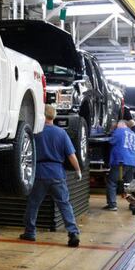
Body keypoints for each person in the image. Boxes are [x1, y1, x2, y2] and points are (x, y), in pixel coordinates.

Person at [19, 104, 82, 248]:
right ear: (54, 116)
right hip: (57, 173)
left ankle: (30, 232)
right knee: (64, 204)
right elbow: (71, 155)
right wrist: (78, 170)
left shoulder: (35, 132)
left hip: (39, 172)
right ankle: (73, 233)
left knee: (33, 205)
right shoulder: (61, 133)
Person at [104, 121, 135, 211]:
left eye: (116, 126)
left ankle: (112, 205)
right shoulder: (133, 134)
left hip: (121, 161)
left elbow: (110, 141)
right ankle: (133, 204)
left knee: (112, 182)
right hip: (133, 162)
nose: (115, 127)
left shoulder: (119, 131)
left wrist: (111, 131)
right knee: (128, 185)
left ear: (121, 124)